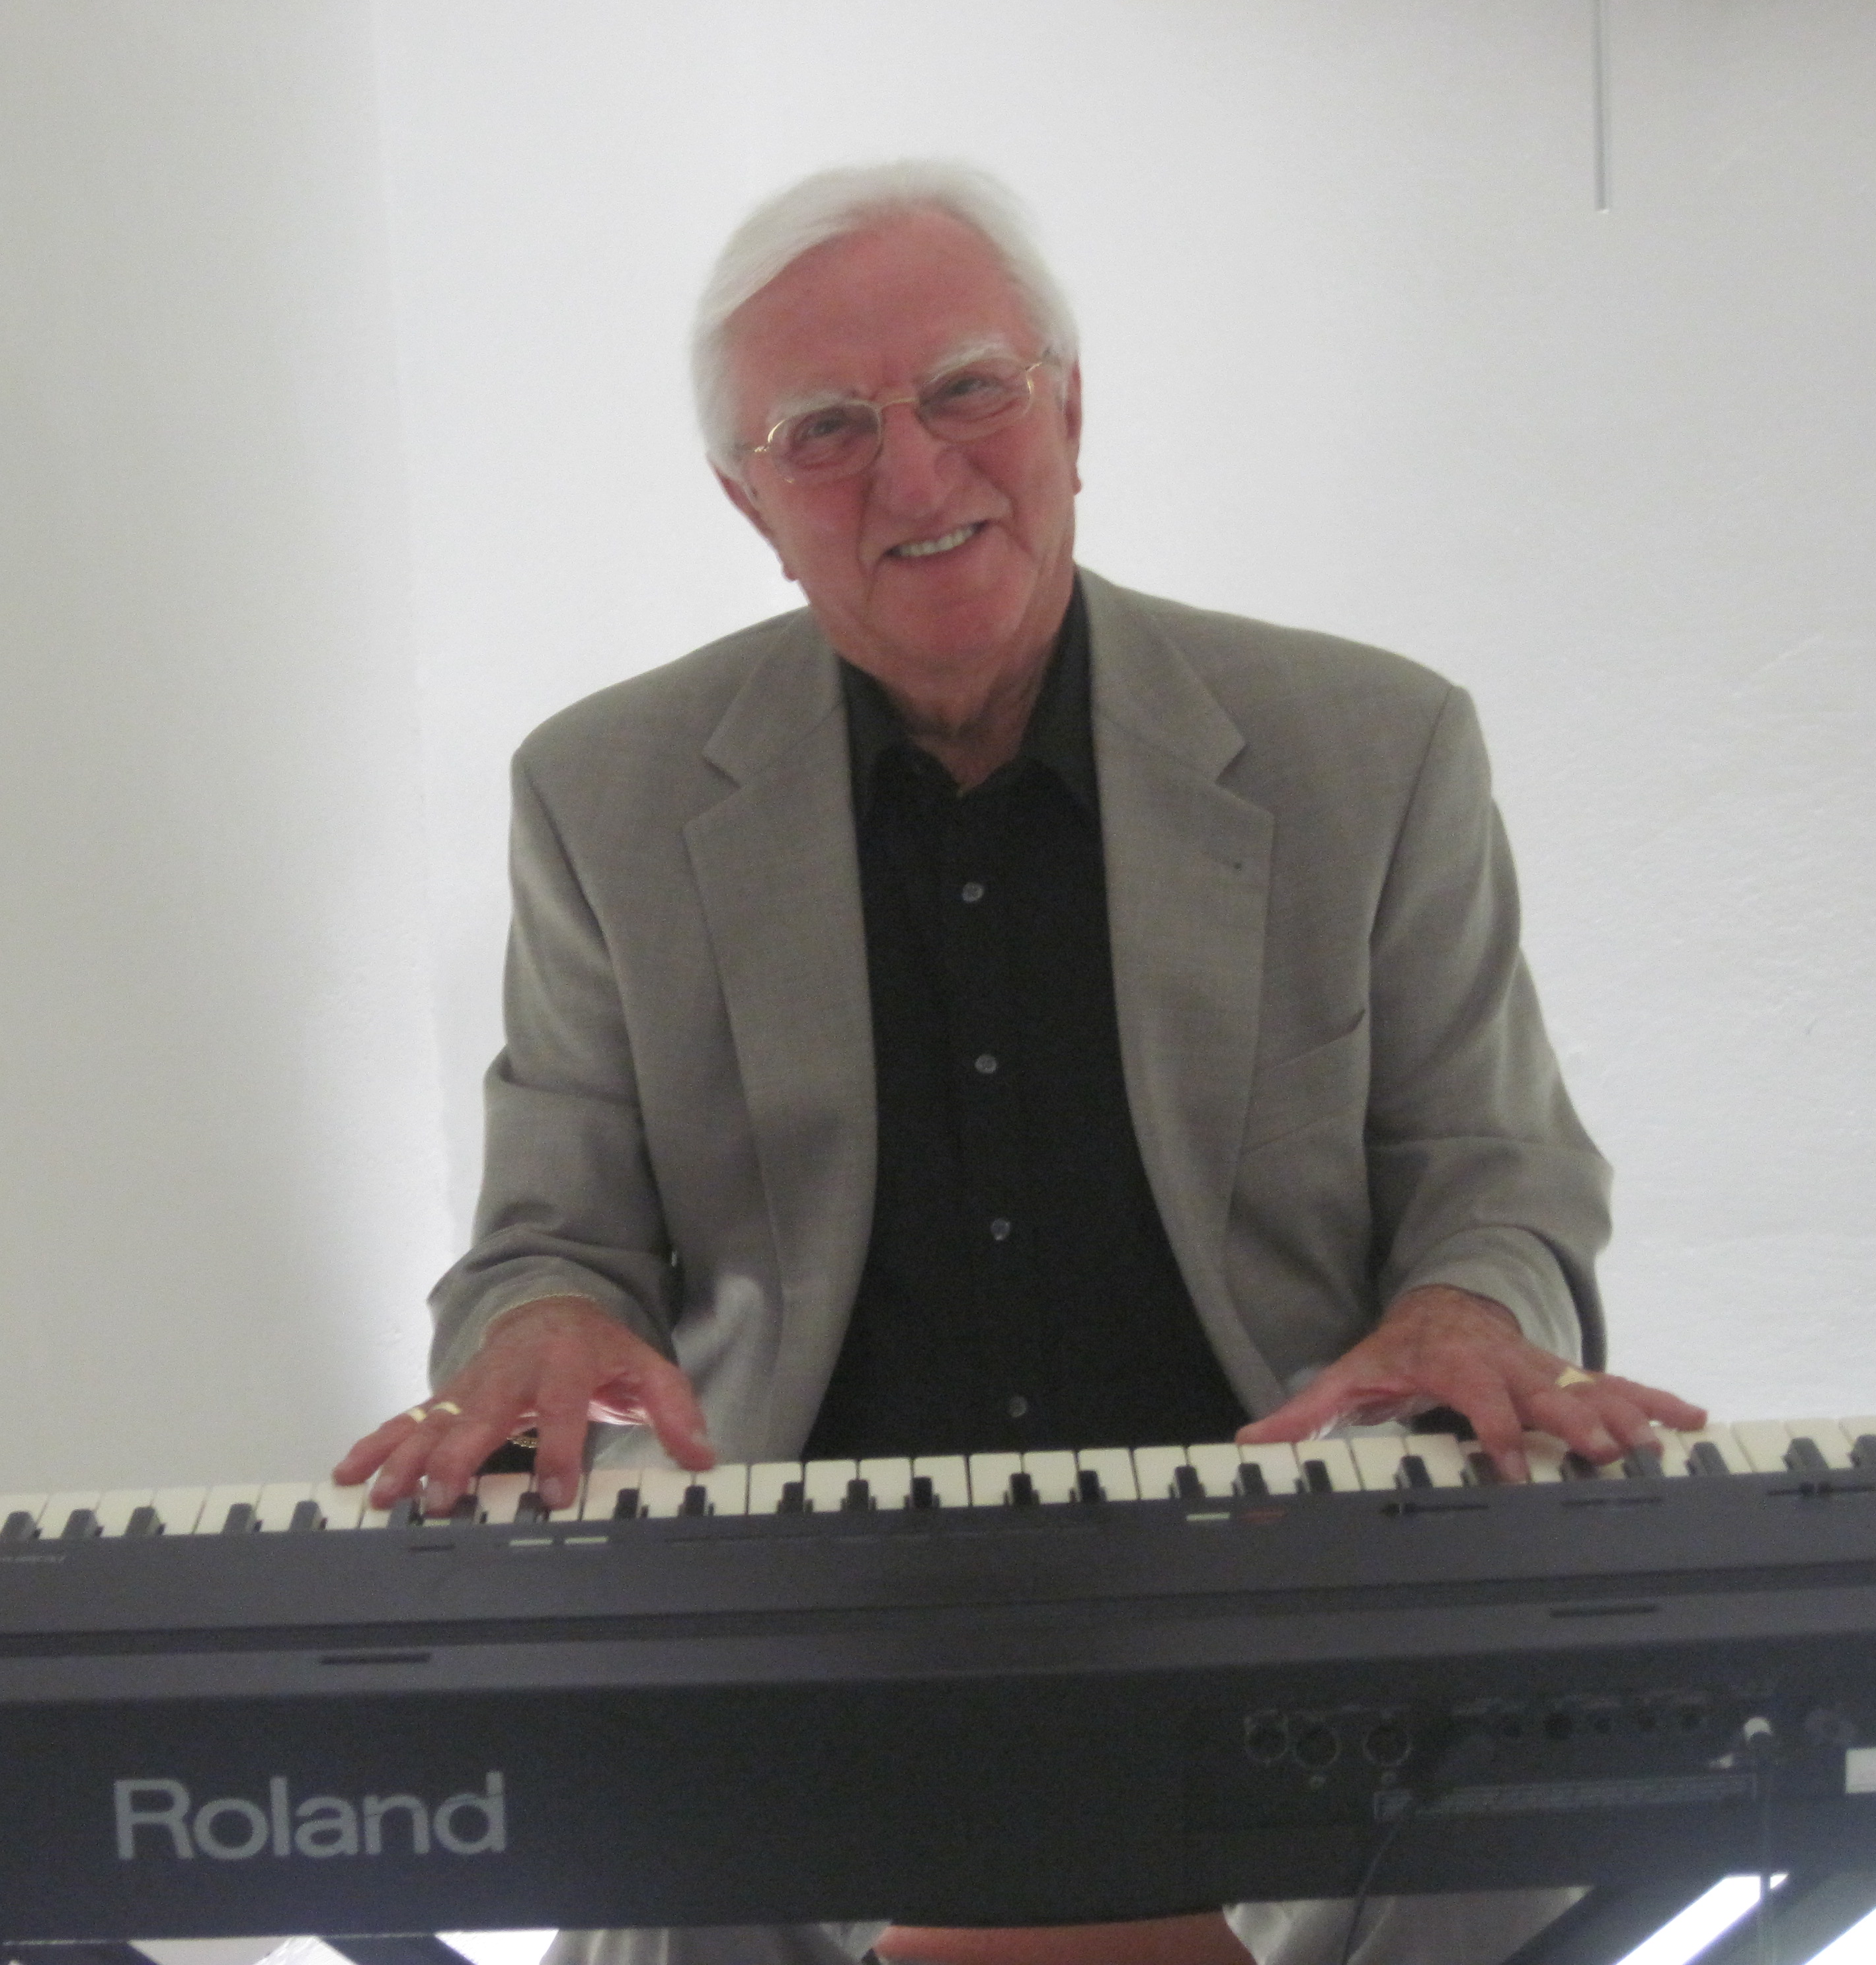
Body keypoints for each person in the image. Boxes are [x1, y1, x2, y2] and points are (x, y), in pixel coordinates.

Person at [335, 163, 1704, 1965]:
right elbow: (546, 1238)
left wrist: (1468, 1307)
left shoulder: (1376, 749)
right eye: (827, 430)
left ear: (1069, 412)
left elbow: (1497, 1178)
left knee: (1524, 1855)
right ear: (749, 500)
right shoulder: (606, 795)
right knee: (646, 1874)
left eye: (968, 389)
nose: (915, 475)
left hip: (1299, 1618)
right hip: (797, 1659)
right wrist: (539, 1327)